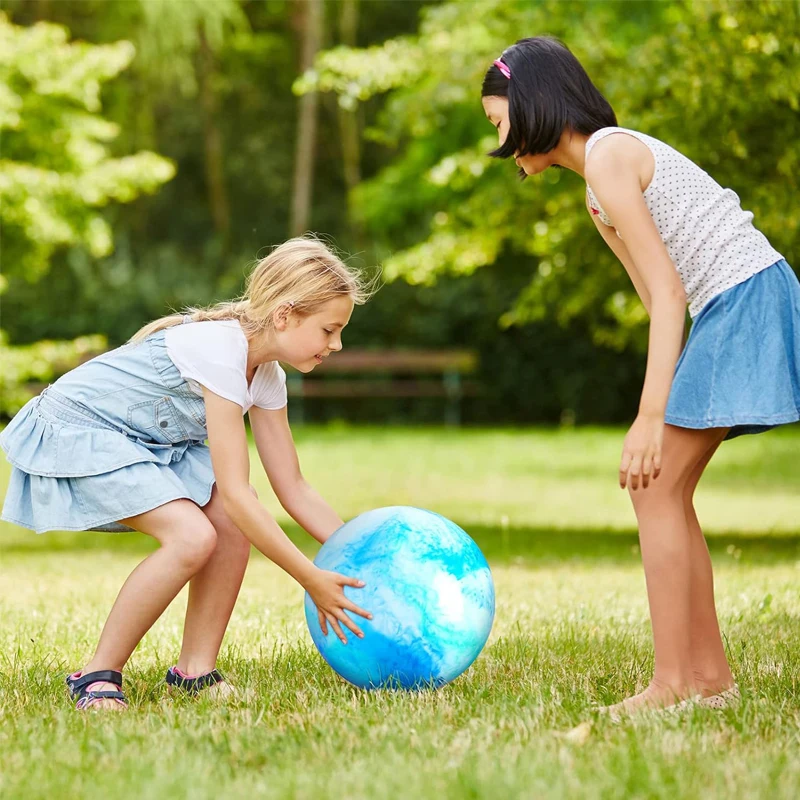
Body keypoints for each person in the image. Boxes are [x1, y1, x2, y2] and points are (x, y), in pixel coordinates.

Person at [481, 37, 799, 717]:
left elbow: (672, 293)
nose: (498, 139)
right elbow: (659, 299)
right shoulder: (597, 194)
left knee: (653, 489)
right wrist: (653, 405)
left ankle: (673, 683)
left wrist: (651, 415)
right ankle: (707, 679)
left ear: (533, 104)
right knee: (665, 492)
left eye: (497, 120)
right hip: (729, 306)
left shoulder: (610, 155)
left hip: (743, 298)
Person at [0, 236, 375, 711]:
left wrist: (360, 556)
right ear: (285, 315)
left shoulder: (266, 375)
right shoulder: (221, 350)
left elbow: (293, 487)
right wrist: (310, 578)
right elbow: (239, 493)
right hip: (77, 430)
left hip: (145, 444)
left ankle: (194, 672)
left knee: (229, 525)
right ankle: (96, 674)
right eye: (329, 329)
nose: (336, 344)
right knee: (192, 536)